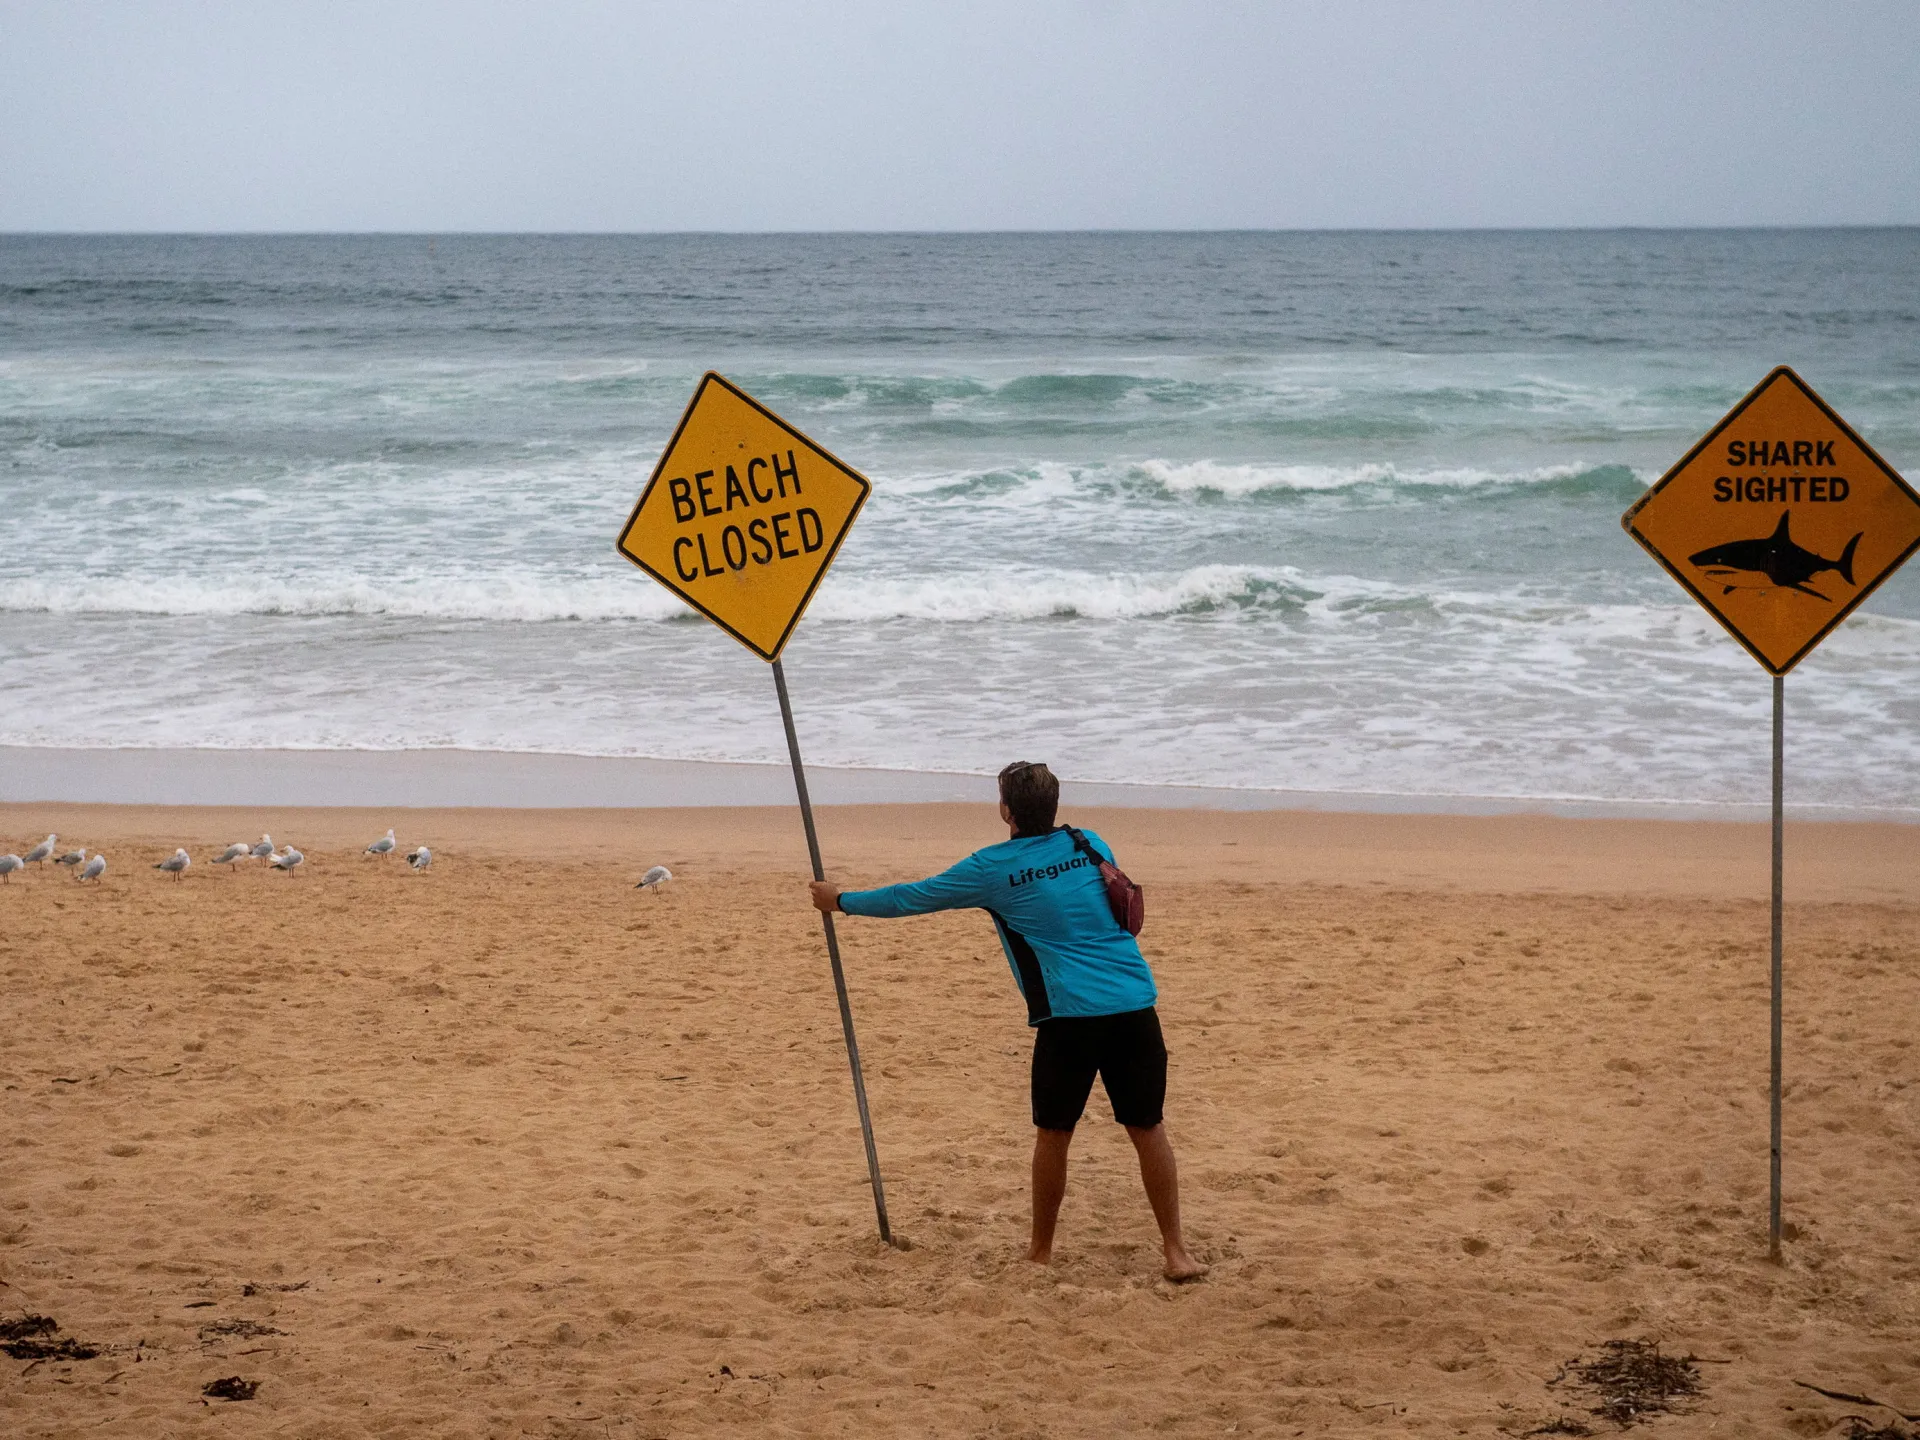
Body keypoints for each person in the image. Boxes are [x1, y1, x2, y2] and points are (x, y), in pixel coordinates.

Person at [809, 761, 1206, 1281]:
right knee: (1147, 1126)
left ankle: (1041, 1252)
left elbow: (915, 897)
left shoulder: (992, 869)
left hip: (1070, 1018)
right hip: (1135, 1002)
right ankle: (1176, 1252)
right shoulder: (1090, 844)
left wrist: (840, 901)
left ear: (1005, 809)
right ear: (1054, 805)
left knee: (1054, 1131)